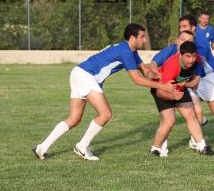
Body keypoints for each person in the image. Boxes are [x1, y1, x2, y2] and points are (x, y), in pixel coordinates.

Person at [32, 23, 175, 161]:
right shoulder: (125, 51)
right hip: (86, 76)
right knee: (105, 114)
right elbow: (137, 79)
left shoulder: (131, 51)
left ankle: (42, 147)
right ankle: (82, 146)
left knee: (74, 119)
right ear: (132, 38)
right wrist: (164, 87)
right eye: (142, 36)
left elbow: (145, 71)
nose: (145, 40)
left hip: (78, 72)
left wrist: (159, 77)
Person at [152, 14, 214, 150]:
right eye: (180, 27)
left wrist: (179, 80)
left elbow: (195, 65)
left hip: (208, 77)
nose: (182, 29)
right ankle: (190, 140)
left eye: (185, 26)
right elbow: (154, 63)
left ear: (194, 28)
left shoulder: (199, 45)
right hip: (192, 78)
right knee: (182, 109)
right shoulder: (177, 46)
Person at [150, 39, 214, 157]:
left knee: (191, 115)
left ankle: (202, 147)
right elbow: (160, 91)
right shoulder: (172, 66)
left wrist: (186, 85)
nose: (192, 60)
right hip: (163, 90)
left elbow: (196, 80)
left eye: (194, 56)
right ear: (180, 55)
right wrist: (173, 96)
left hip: (180, 88)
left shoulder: (198, 60)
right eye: (188, 56)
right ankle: (155, 149)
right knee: (169, 121)